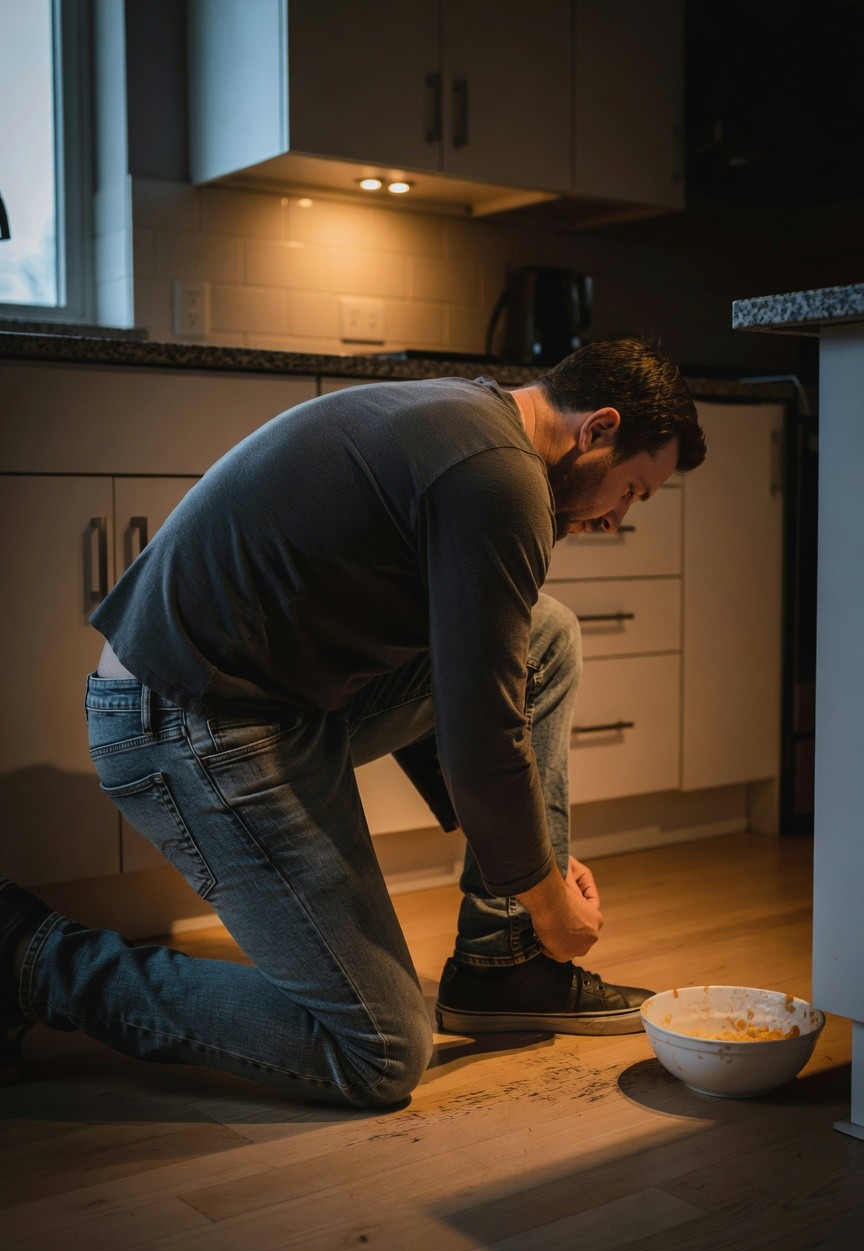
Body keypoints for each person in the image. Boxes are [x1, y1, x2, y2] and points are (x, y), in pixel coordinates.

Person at [1, 337, 706, 1104]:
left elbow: (465, 674)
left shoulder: (474, 418)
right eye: (632, 491)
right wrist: (549, 903)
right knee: (379, 1051)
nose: (617, 517)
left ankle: (505, 968)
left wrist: (525, 858)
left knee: (546, 634)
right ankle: (30, 958)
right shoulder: (500, 481)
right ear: (598, 429)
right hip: (185, 720)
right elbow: (481, 734)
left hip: (261, 699)